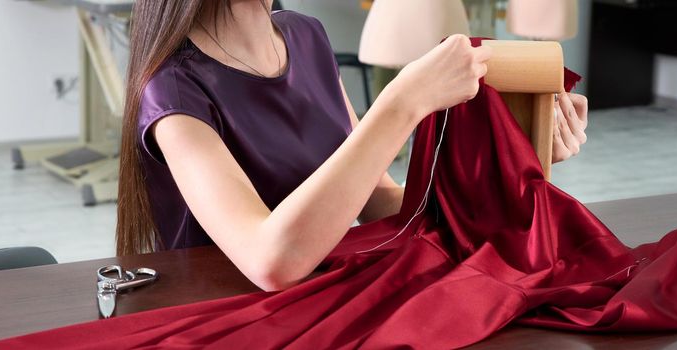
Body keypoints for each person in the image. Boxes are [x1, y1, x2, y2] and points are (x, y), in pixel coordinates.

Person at [116, 0, 589, 292]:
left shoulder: (305, 35)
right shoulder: (172, 92)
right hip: (231, 315)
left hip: (324, 294)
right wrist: (402, 104)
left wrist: (519, 154)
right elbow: (270, 262)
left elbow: (378, 200)